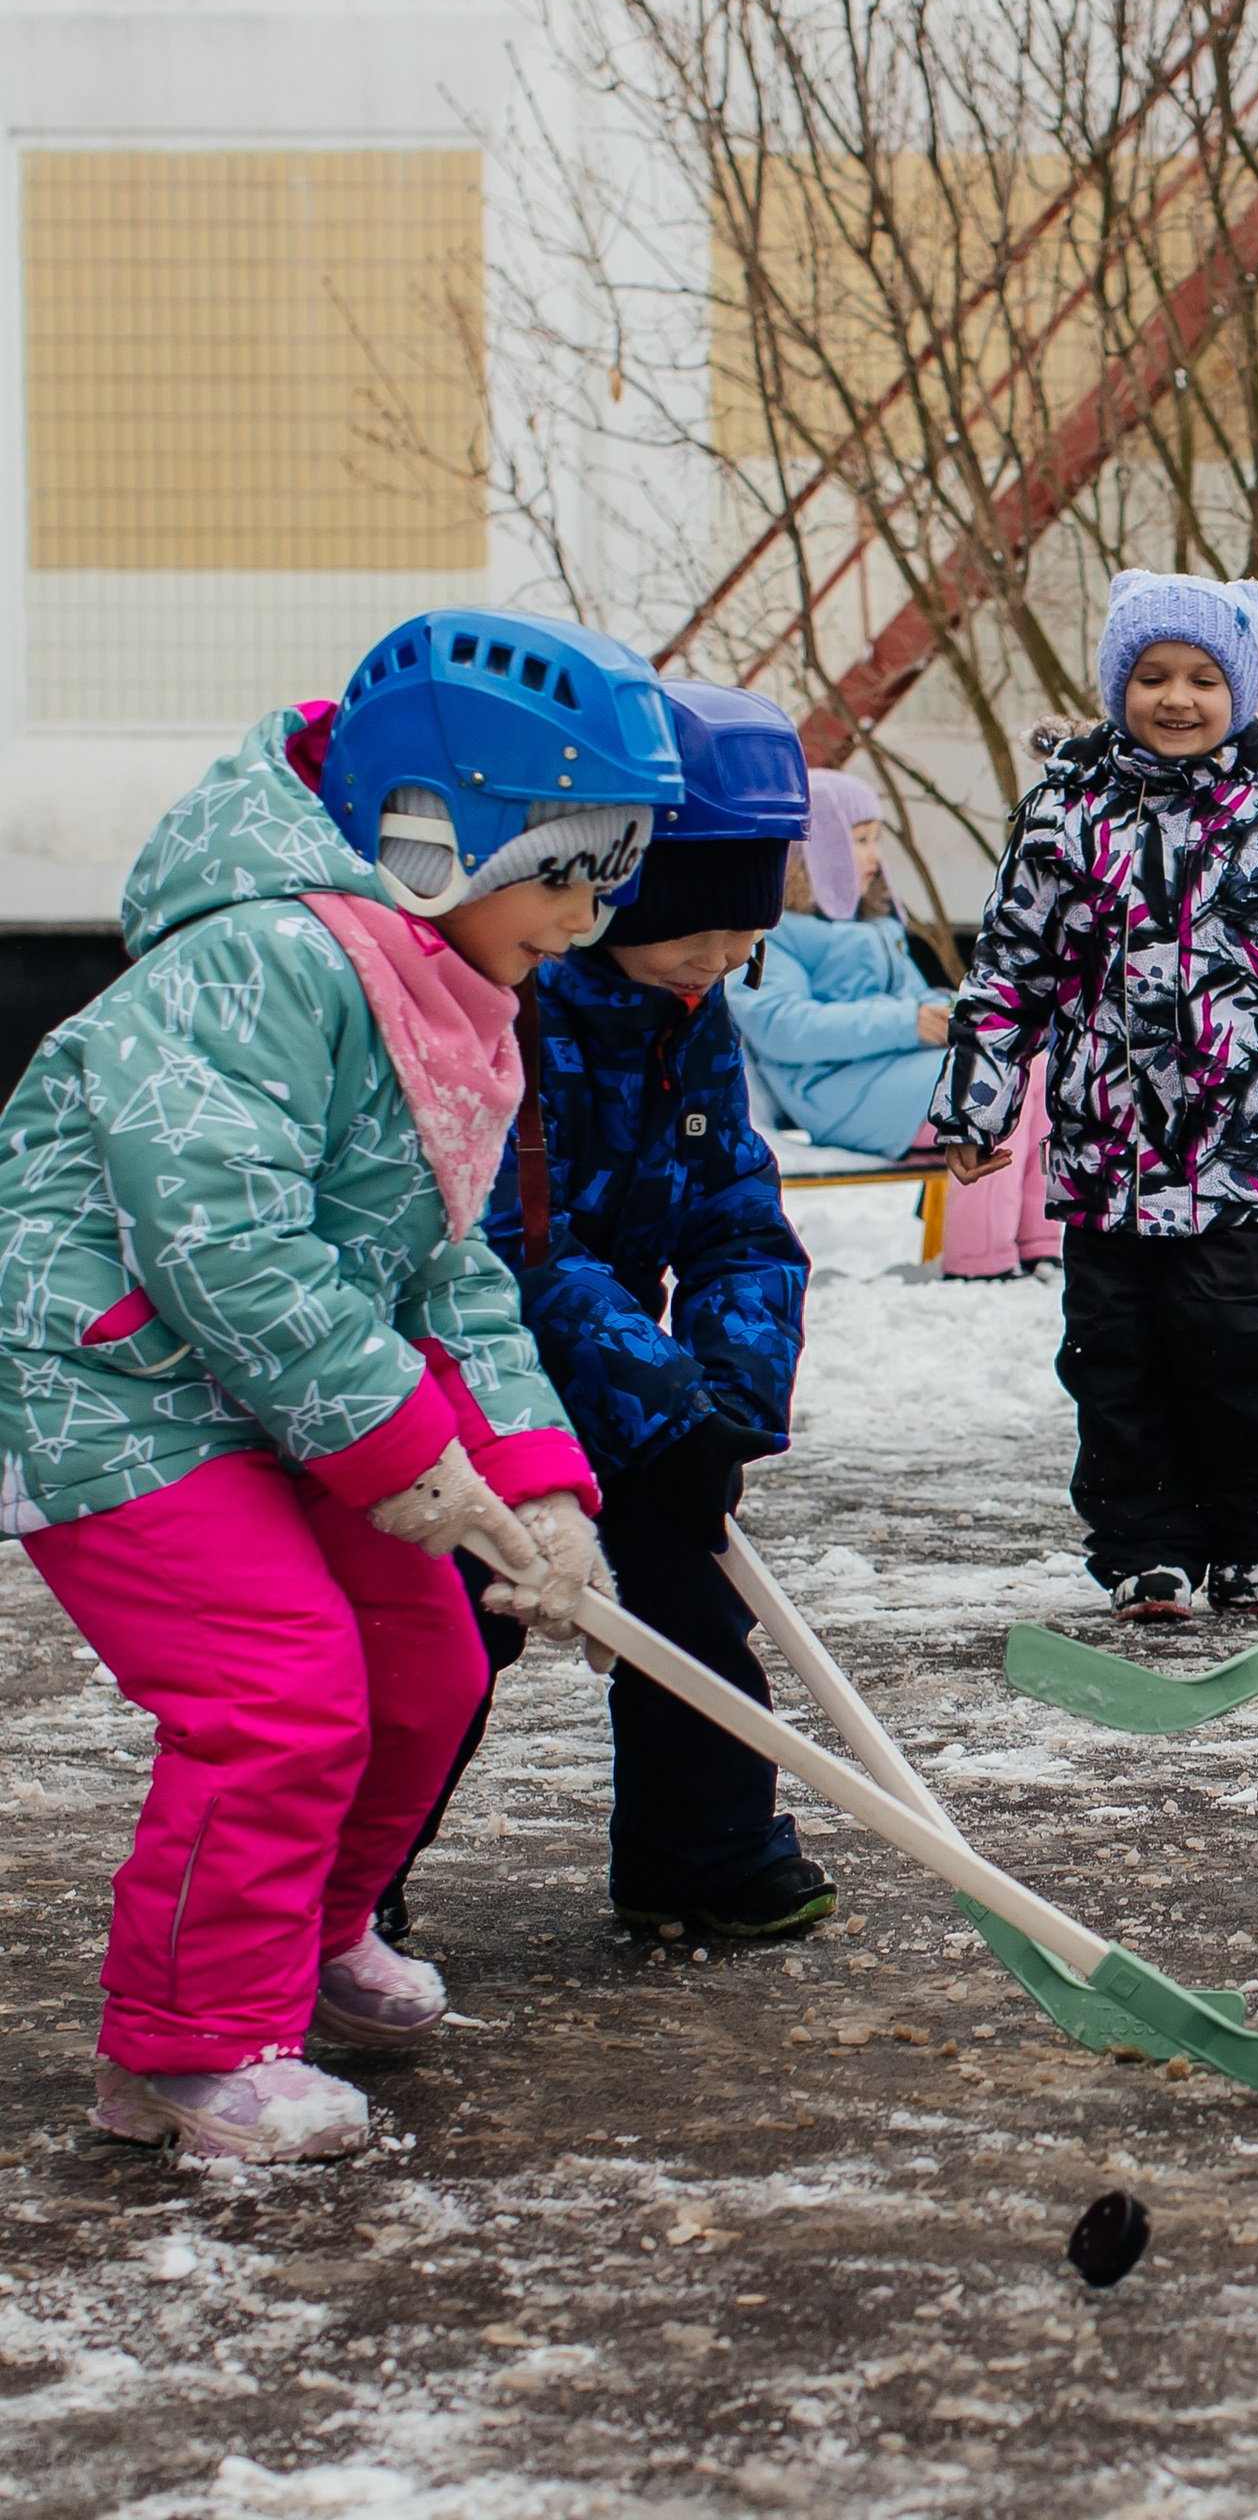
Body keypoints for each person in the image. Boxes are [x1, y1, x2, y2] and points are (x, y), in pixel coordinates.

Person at [0, 607, 667, 2161]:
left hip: (282, 1388)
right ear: (429, 839)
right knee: (279, 1697)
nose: (586, 918)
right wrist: (399, 1448)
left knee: (430, 1671)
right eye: (564, 872)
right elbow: (217, 1236)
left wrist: (538, 1483)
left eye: (607, 876)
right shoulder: (257, 966)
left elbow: (443, 1267)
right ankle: (179, 2055)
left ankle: (303, 1941)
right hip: (121, 1388)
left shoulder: (439, 993)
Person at [931, 570, 1258, 1621]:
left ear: (1239, 690)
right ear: (1118, 685)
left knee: (1233, 1337)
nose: (1176, 698)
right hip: (1107, 1144)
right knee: (1112, 1352)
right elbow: (1013, 968)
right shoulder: (1068, 804)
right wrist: (976, 1101)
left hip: (1245, 1140)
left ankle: (1252, 1529)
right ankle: (1143, 1542)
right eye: (1151, 676)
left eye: (1202, 677)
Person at [460, 678, 835, 1941]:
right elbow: (522, 1248)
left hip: (618, 1369)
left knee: (694, 1605)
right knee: (452, 1641)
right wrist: (660, 1401)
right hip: (474, 1386)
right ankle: (346, 1895)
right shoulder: (516, 1008)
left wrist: (724, 1393)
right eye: (697, 941)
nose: (720, 968)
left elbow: (733, 1206)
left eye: (742, 947)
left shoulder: (692, 1010)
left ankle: (704, 1858)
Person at [733, 768, 1063, 1280]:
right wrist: (908, 1022)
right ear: (814, 848)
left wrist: (959, 1012)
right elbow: (781, 1025)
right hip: (830, 1091)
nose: (873, 856)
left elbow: (910, 997)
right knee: (987, 1084)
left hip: (890, 1077)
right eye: (859, 840)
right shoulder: (776, 932)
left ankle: (1037, 1242)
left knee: (1028, 1065)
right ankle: (979, 1260)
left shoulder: (877, 926)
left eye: (876, 840)